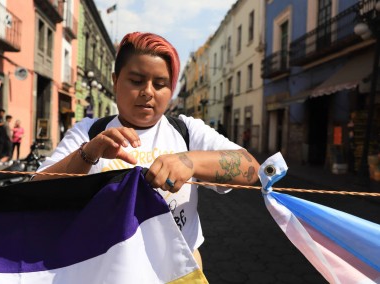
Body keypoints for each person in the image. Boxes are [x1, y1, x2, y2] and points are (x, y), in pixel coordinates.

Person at [34, 32, 260, 269]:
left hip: (176, 270)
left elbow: (251, 169)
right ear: (115, 80)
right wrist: (90, 152)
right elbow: (37, 189)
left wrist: (190, 161)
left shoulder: (187, 131)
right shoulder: (89, 132)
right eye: (136, 80)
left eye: (160, 84)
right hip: (102, 269)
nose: (148, 92)